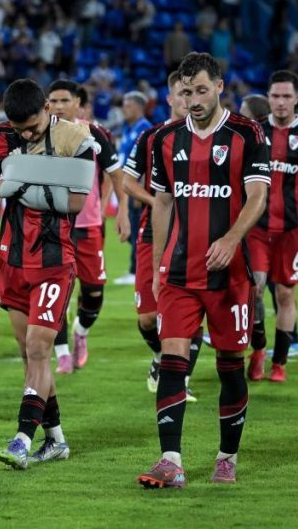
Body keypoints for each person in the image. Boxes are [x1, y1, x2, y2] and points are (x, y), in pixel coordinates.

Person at [0, 78, 97, 470]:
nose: (26, 134)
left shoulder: (74, 138)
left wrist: (13, 182)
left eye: (31, 126)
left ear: (48, 108)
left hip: (53, 261)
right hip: (11, 262)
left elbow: (76, 202)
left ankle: (21, 438)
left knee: (39, 349)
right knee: (30, 357)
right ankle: (56, 439)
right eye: (19, 129)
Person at [138, 52, 270, 488]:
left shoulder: (247, 133)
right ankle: (170, 460)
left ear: (219, 86)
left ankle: (226, 457)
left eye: (200, 90)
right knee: (173, 362)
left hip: (229, 276)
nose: (192, 99)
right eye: (185, 91)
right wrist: (159, 261)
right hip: (178, 272)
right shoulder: (164, 138)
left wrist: (232, 238)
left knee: (230, 365)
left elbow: (257, 196)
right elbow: (161, 201)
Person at [123, 71, 203, 398]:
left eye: (193, 92)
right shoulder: (152, 137)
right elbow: (128, 182)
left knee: (191, 311)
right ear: (169, 99)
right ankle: (159, 356)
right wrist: (157, 201)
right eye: (182, 94)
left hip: (194, 237)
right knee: (147, 317)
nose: (188, 100)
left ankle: (180, 381)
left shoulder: (211, 139)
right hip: (153, 234)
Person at [44, 80, 130, 373]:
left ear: (77, 104)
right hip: (51, 224)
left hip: (88, 224)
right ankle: (63, 353)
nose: (57, 106)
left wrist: (122, 213)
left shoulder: (94, 133)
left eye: (64, 100)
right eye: (52, 101)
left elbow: (116, 174)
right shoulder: (40, 133)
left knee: (93, 292)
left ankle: (80, 331)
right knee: (56, 292)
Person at [246, 70, 298, 381]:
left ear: (297, 98)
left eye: (287, 96)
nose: (280, 102)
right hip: (257, 228)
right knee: (255, 289)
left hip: (292, 229)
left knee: (286, 294)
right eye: (275, 96)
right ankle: (259, 350)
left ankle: (280, 364)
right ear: (269, 97)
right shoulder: (254, 132)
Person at [113, 91, 154, 287]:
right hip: (126, 187)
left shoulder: (144, 128)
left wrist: (140, 190)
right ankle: (137, 268)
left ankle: (135, 270)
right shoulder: (129, 128)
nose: (124, 109)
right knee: (129, 229)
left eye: (128, 105)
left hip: (134, 187)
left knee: (137, 228)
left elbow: (147, 161)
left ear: (139, 107)